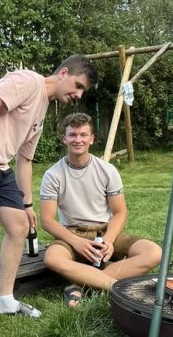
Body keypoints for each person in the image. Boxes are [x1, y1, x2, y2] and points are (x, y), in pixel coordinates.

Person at [0, 56, 98, 327]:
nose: (78, 95)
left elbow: (24, 159)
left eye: (83, 91)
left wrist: (27, 204)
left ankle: (5, 299)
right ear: (63, 73)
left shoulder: (42, 110)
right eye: (78, 85)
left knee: (19, 226)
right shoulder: (28, 81)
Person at [40, 112, 162, 306]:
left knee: (153, 252)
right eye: (72, 135)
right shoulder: (52, 175)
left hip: (104, 230)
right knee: (52, 258)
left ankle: (79, 285)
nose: (78, 140)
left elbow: (120, 212)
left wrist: (109, 240)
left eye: (83, 135)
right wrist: (77, 243)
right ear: (64, 139)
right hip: (72, 233)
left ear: (91, 139)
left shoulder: (107, 170)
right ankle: (116, 287)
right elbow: (47, 220)